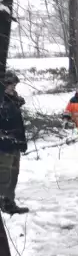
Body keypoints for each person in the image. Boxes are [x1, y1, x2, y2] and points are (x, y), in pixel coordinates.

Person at [0, 71, 28, 214]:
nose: (13, 87)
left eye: (14, 84)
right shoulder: (2, 101)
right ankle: (3, 204)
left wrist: (21, 142)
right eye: (11, 84)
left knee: (14, 175)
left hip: (15, 142)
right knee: (4, 176)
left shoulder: (12, 99)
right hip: (3, 145)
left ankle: (9, 203)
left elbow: (18, 123)